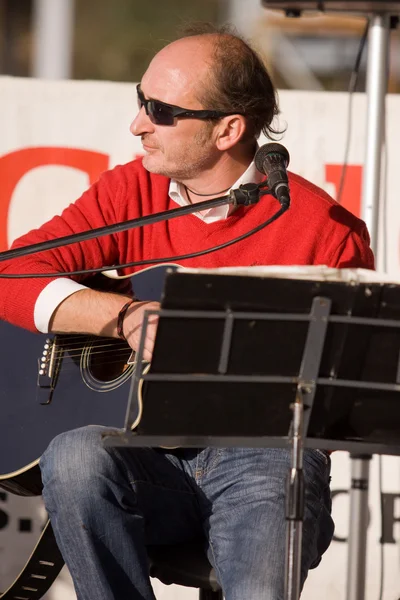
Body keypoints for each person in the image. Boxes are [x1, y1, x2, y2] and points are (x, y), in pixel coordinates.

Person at [0, 23, 374, 600]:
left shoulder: (325, 232)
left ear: (228, 129)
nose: (138, 123)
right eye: (139, 101)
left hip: (263, 465)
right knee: (73, 454)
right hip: (142, 459)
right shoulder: (128, 192)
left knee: (272, 475)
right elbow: (10, 271)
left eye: (161, 110)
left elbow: (344, 401)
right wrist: (120, 318)